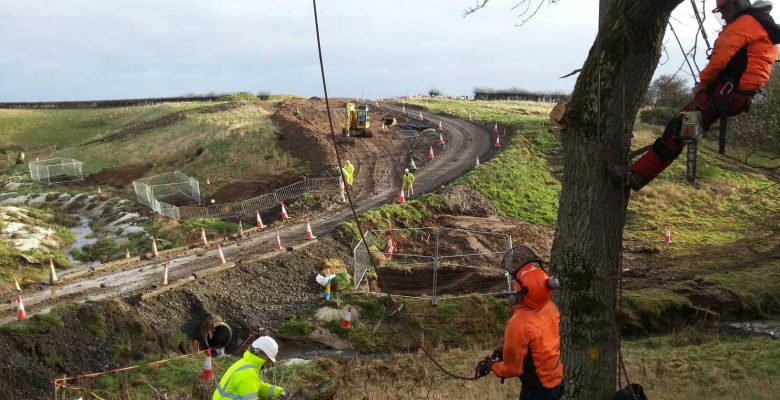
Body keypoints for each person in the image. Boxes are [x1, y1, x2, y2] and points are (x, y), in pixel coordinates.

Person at [610, 0, 780, 190]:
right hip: (734, 98)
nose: (723, 15)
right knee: (681, 133)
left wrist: (703, 83)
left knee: (678, 131)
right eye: (720, 11)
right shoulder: (762, 26)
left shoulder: (744, 24)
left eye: (725, 9)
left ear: (737, 4)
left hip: (723, 95)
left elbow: (719, 61)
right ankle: (639, 175)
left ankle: (636, 175)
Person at [479, 261, 564, 400]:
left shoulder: (518, 324)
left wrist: (493, 365)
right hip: (556, 380)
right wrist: (505, 349)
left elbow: (513, 369)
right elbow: (537, 342)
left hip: (537, 390)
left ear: (522, 293)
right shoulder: (550, 307)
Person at [212, 336, 288, 399]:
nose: (269, 363)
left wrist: (278, 391)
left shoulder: (247, 364)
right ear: (261, 355)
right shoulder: (248, 372)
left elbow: (259, 386)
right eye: (269, 359)